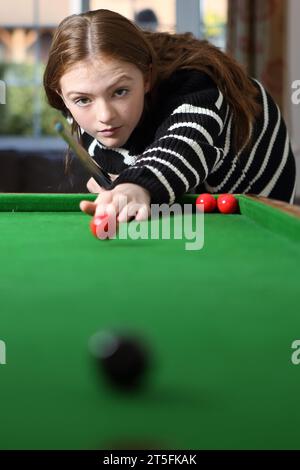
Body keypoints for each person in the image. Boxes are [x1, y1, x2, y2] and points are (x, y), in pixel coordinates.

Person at [43, 9, 296, 222]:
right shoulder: (74, 97)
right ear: (61, 95)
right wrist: (117, 183)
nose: (105, 115)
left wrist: (133, 185)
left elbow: (184, 144)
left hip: (255, 198)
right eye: (83, 99)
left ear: (147, 78)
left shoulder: (195, 85)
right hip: (192, 198)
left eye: (120, 92)